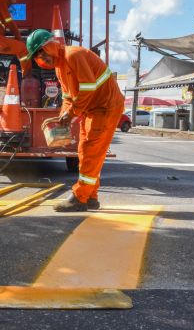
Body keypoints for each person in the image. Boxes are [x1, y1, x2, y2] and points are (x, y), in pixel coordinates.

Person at [21, 29, 124, 211]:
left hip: (105, 107)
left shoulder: (73, 55)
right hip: (92, 110)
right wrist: (64, 116)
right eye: (37, 55)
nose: (41, 58)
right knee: (86, 151)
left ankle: (80, 197)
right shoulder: (60, 68)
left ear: (49, 45)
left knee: (90, 150)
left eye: (41, 52)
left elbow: (88, 87)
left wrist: (72, 113)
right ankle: (91, 196)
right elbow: (68, 96)